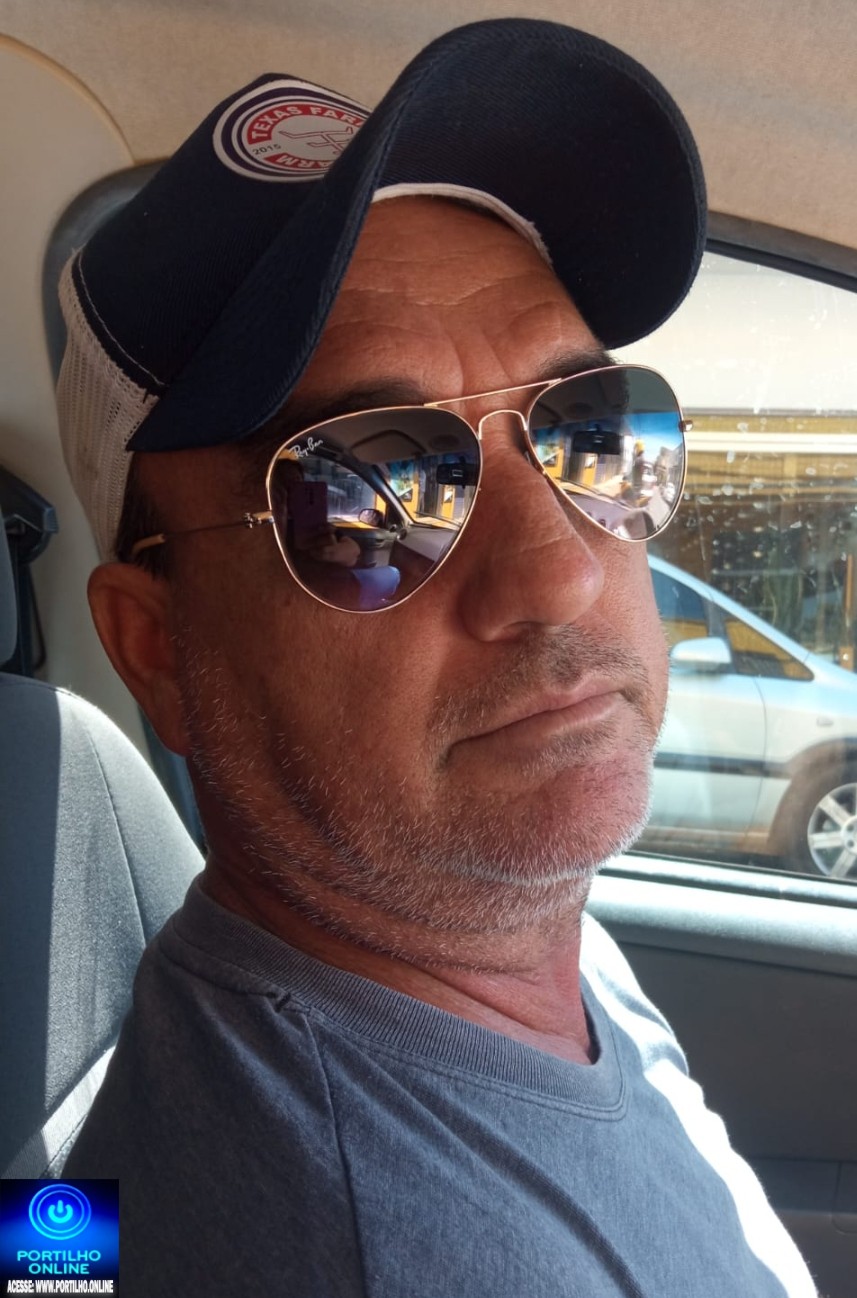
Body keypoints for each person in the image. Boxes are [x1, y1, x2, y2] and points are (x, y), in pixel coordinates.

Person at [57, 19, 817, 1297]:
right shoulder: (376, 1247)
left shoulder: (536, 947)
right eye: (369, 493)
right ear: (158, 649)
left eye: (593, 430)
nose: (561, 571)